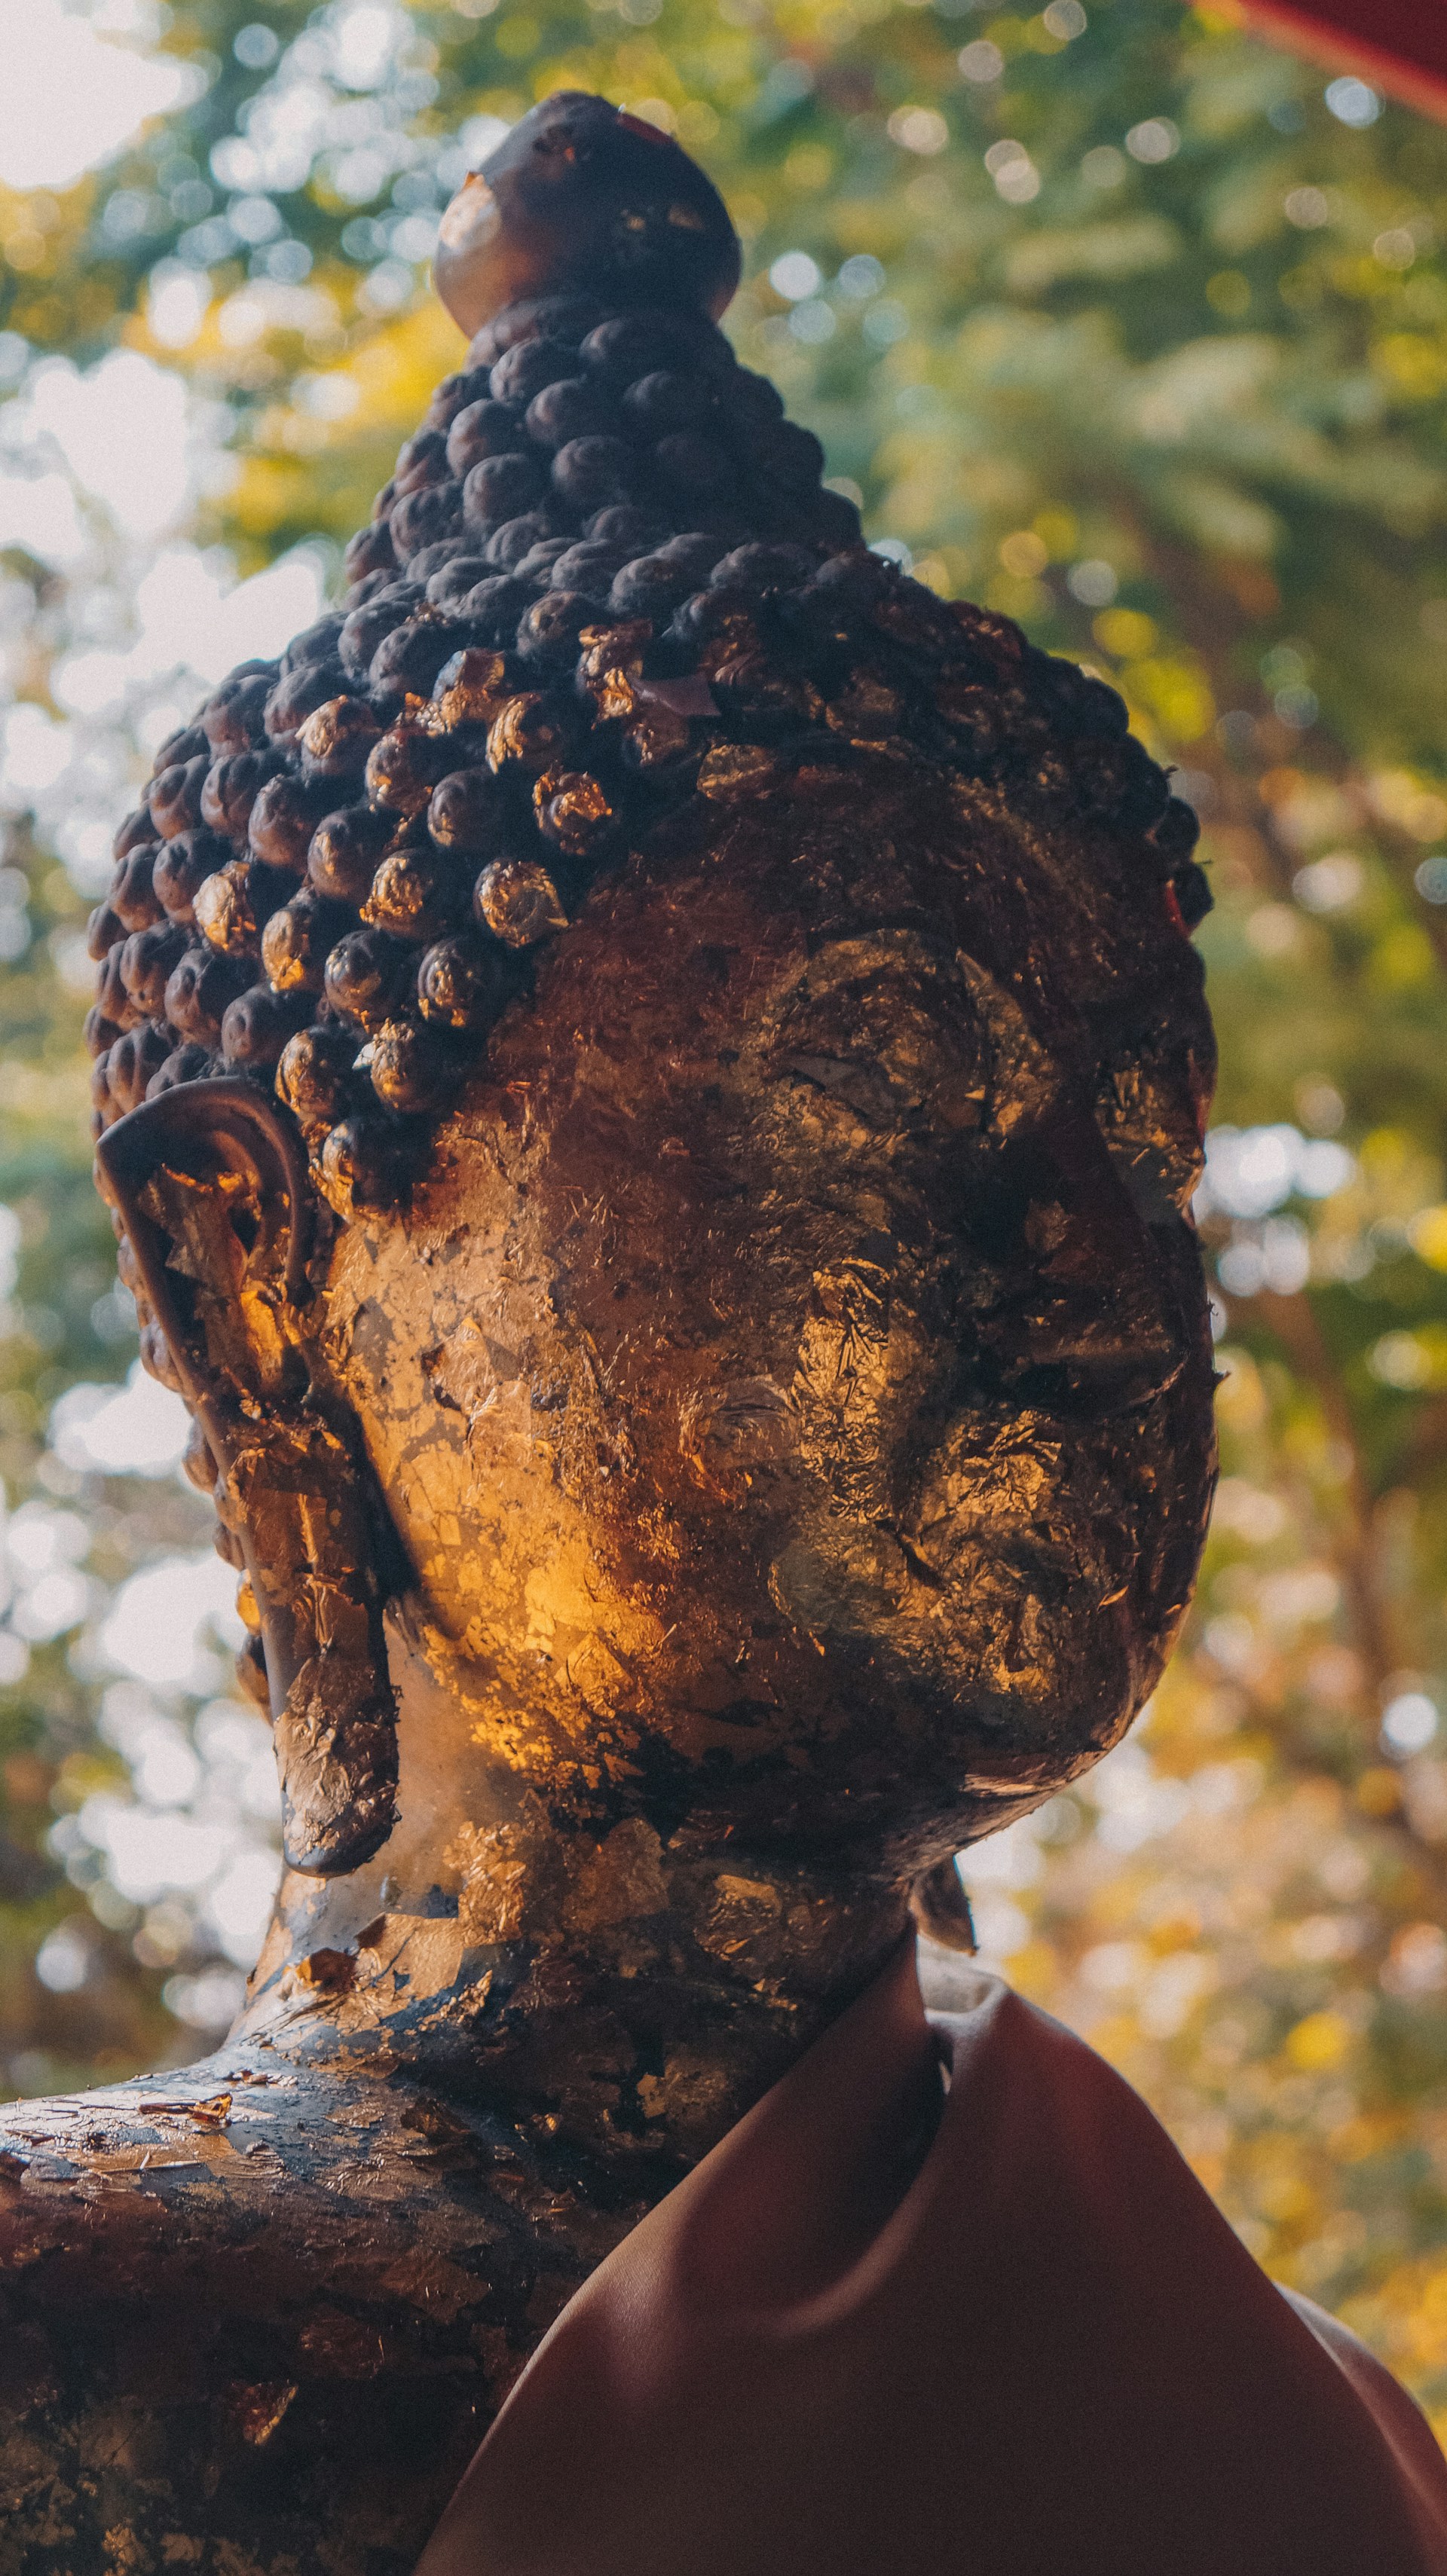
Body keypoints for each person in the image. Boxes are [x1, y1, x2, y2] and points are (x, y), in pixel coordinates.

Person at [6, 92, 1434, 2572]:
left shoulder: (1312, 2430)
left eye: (1148, 1145)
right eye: (885, 1077)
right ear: (259, 1272)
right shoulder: (73, 2351)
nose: (1111, 1287)